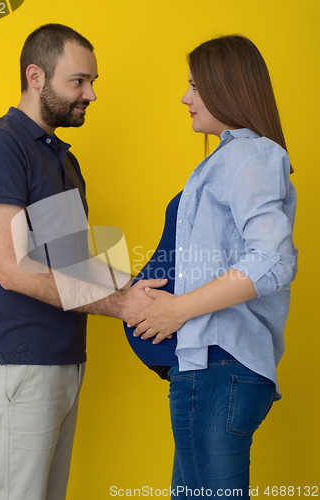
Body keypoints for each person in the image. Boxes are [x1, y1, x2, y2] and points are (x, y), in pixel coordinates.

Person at [0, 23, 166, 500]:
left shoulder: (60, 158)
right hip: (20, 361)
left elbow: (74, 263)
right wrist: (121, 306)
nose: (91, 94)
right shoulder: (0, 146)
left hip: (63, 359)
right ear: (36, 76)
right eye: (79, 81)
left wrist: (152, 291)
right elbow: (13, 269)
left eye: (92, 82)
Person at [125, 35, 297, 499]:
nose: (185, 97)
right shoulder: (227, 157)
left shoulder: (250, 155)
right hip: (207, 370)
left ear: (227, 87)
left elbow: (271, 260)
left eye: (195, 86)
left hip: (217, 369)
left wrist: (177, 310)